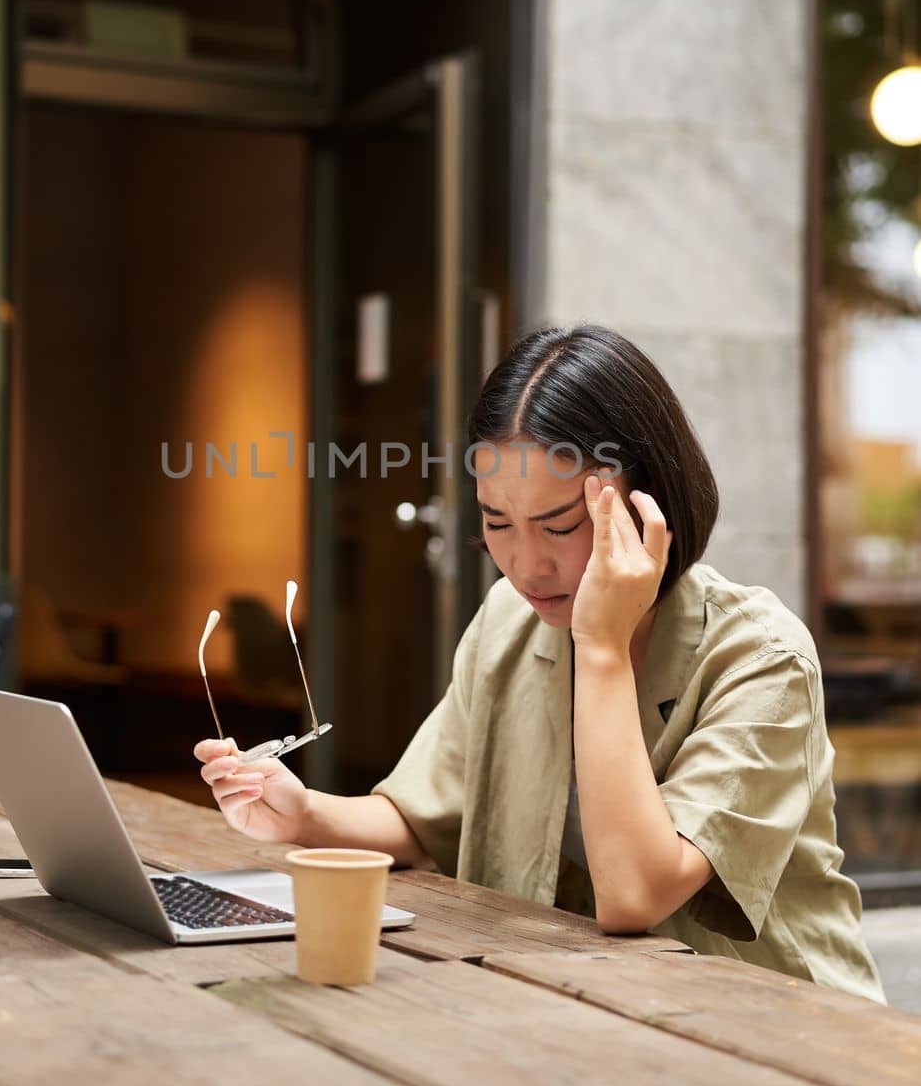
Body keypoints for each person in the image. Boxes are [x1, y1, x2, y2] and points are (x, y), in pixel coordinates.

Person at [195, 324, 886, 1003]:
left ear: (650, 504)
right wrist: (302, 815)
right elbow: (420, 818)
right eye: (496, 522)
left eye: (560, 525)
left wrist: (602, 647)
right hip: (563, 1004)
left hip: (773, 1027)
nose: (527, 565)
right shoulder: (509, 620)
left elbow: (633, 896)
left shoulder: (759, 655)